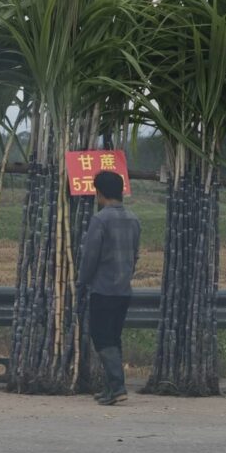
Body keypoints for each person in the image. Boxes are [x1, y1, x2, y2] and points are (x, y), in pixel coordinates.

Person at [77, 170, 140, 405]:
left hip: (103, 288)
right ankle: (110, 388)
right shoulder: (133, 219)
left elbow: (90, 256)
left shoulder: (100, 219)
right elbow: (135, 255)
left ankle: (118, 387)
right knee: (113, 338)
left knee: (102, 337)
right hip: (124, 289)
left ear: (99, 193)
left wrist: (82, 281)